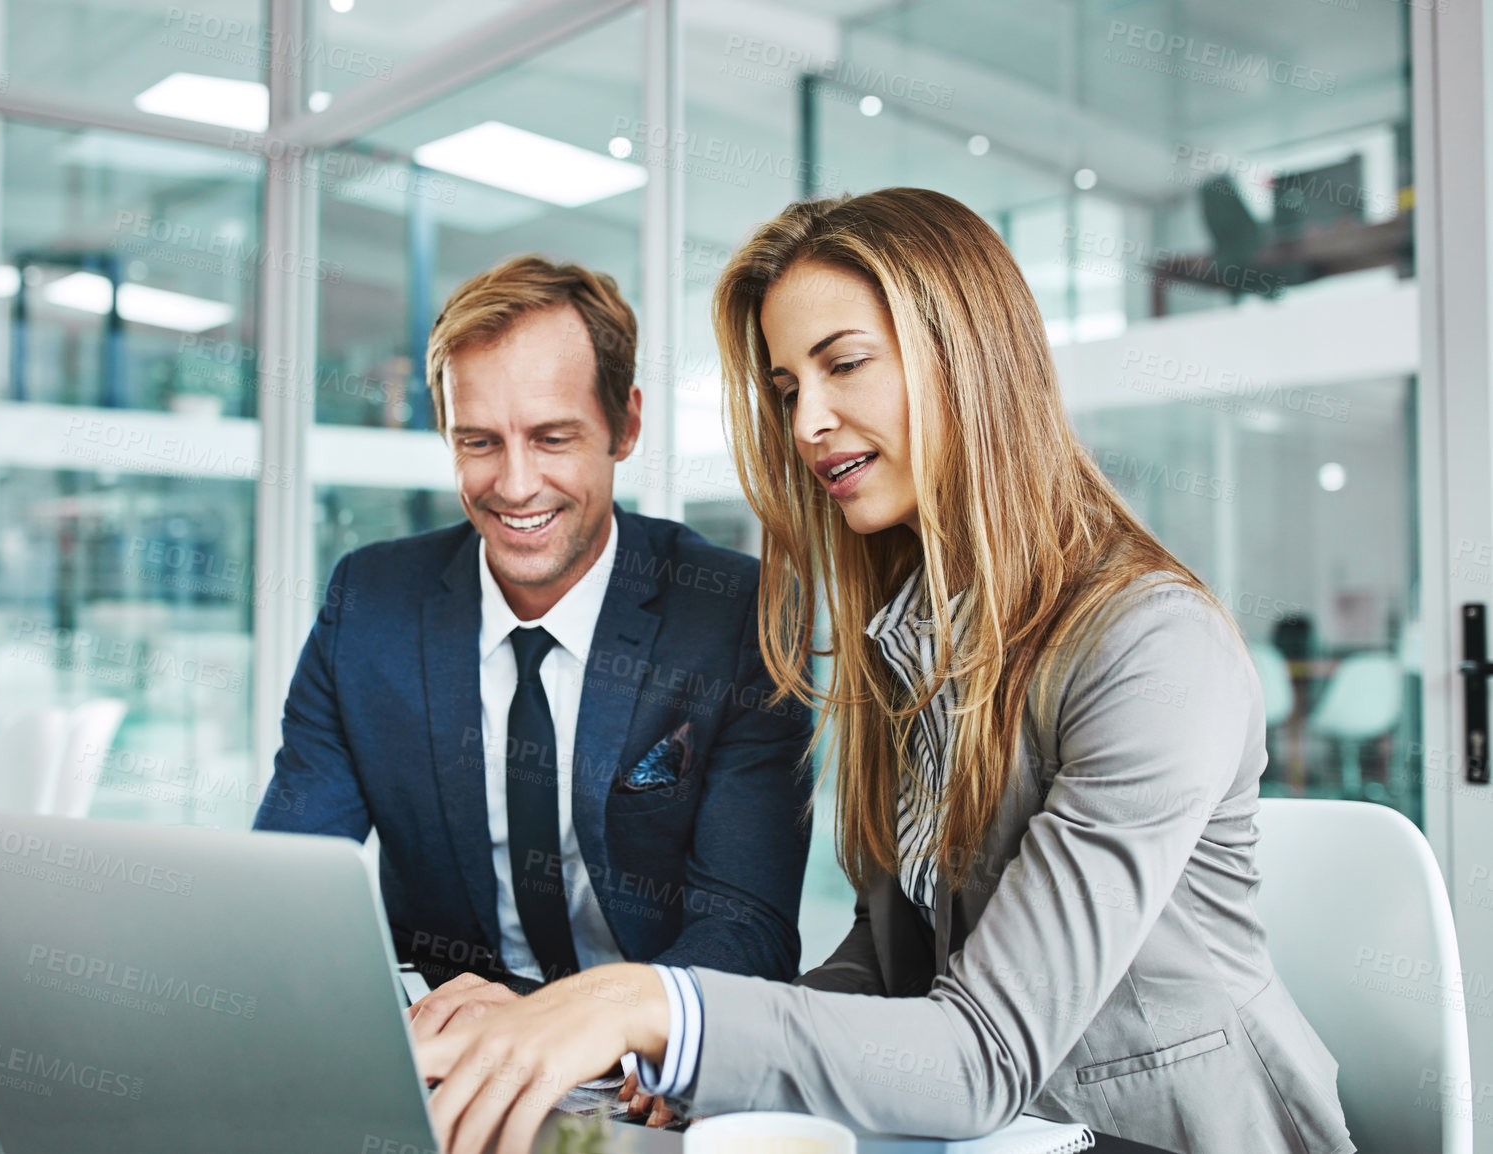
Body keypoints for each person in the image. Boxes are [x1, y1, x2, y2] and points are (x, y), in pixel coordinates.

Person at [414, 191, 1353, 1154]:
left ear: (968, 356)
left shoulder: (1153, 649)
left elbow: (982, 1058)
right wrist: (687, 1061)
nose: (809, 421)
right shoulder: (916, 641)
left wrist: (648, 1002)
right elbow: (888, 955)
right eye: (786, 390)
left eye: (844, 364)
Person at [253, 255, 814, 1011]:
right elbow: (284, 889)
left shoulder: (731, 612)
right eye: (478, 441)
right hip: (452, 1047)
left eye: (552, 438)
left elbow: (750, 926)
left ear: (625, 425)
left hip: (647, 1057)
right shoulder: (371, 604)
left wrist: (581, 1026)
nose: (514, 486)